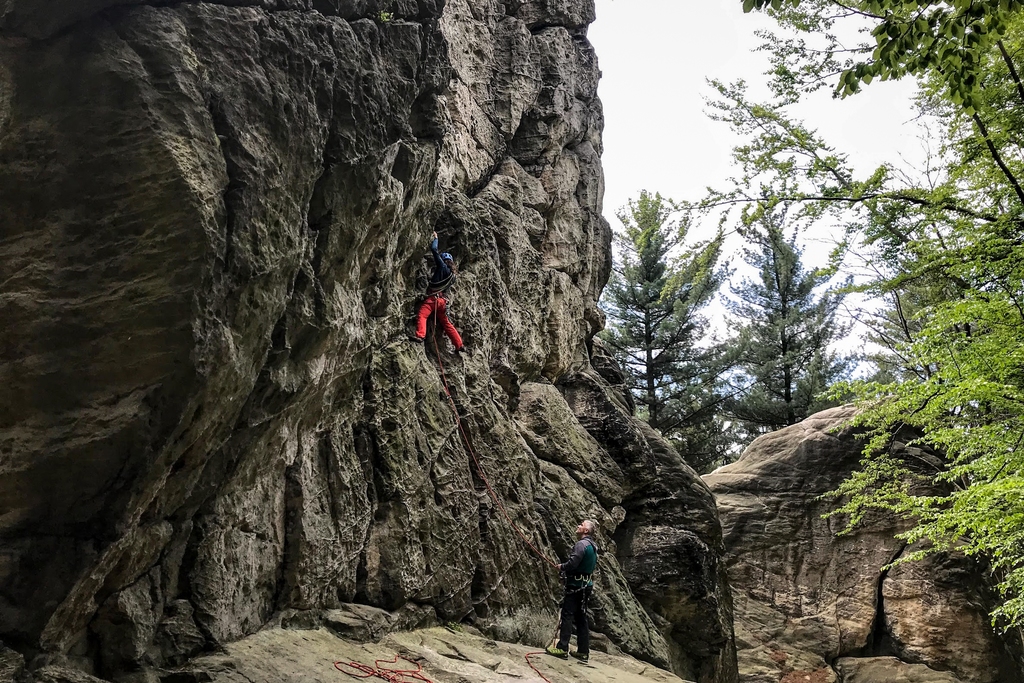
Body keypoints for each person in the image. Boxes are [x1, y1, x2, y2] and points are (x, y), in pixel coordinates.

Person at [546, 519, 599, 663]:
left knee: (567, 614)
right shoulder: (593, 546)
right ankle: (583, 652)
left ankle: (562, 648)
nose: (578, 526)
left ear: (586, 531)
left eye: (581, 525)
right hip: (586, 585)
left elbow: (573, 563)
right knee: (581, 618)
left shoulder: (581, 544)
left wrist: (562, 567)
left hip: (576, 585)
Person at [410, 231, 465, 352]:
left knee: (422, 315)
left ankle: (420, 336)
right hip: (442, 302)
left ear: (444, 260)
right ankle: (459, 345)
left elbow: (434, 250)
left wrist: (436, 238)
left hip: (433, 300)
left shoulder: (442, 266)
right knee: (446, 323)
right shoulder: (453, 276)